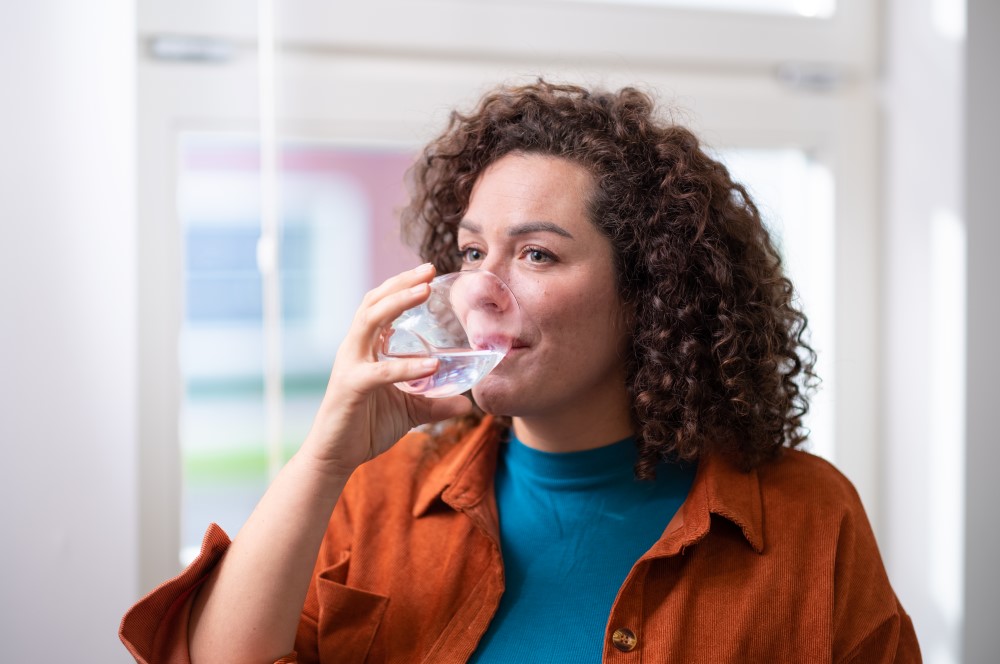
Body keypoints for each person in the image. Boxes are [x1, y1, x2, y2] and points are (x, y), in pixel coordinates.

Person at [120, 80, 921, 663]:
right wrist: (326, 456)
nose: (480, 291)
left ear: (653, 290)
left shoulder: (807, 517)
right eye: (472, 253)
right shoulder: (378, 495)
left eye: (537, 254)